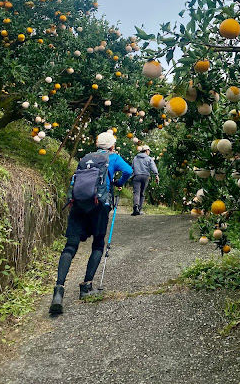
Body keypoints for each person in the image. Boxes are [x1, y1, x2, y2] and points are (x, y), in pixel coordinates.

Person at [49, 131, 132, 315]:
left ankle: (58, 290)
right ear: (112, 146)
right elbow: (129, 171)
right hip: (99, 206)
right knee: (97, 244)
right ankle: (86, 287)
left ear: (97, 145)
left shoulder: (86, 158)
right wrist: (118, 182)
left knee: (70, 247)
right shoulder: (114, 157)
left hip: (79, 204)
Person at [131, 144, 159, 216]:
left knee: (136, 192)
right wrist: (156, 175)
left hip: (136, 176)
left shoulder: (135, 158)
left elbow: (132, 167)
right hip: (145, 176)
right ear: (146, 151)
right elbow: (153, 167)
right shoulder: (149, 158)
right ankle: (139, 209)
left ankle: (136, 206)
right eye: (149, 151)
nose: (149, 152)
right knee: (142, 193)